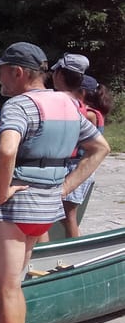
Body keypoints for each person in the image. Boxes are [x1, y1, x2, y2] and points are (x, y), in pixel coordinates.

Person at [0, 42, 109, 323]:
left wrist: (1, 193)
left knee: (6, 288)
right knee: (15, 283)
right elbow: (101, 148)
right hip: (44, 209)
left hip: (15, 208)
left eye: (1, 72)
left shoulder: (18, 105)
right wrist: (62, 189)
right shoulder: (68, 104)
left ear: (18, 72)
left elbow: (7, 149)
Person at [49, 53, 96, 238]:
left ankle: (73, 252)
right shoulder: (79, 106)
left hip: (72, 165)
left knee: (68, 216)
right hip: (74, 164)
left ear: (60, 75)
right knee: (61, 215)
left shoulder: (66, 105)